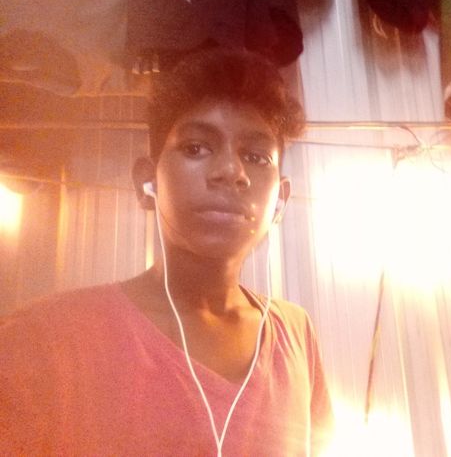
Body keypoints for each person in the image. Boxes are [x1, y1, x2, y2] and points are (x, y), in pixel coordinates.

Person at [0, 48, 334, 456]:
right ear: (147, 182)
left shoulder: (296, 334)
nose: (232, 171)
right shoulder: (42, 339)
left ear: (279, 200)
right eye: (196, 148)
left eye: (255, 156)